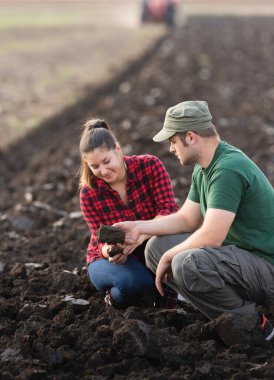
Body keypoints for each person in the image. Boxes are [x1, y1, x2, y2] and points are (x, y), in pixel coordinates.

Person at [114, 100, 274, 340]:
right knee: (156, 249)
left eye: (172, 141)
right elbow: (188, 218)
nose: (170, 149)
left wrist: (172, 256)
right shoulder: (205, 167)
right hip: (242, 258)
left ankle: (255, 328)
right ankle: (220, 309)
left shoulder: (227, 169)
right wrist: (139, 228)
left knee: (187, 264)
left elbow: (212, 236)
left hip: (266, 266)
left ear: (190, 137)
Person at [79, 118, 178, 309]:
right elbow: (99, 238)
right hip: (109, 259)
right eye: (95, 166)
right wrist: (112, 252)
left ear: (117, 149)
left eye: (106, 161)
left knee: (177, 249)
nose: (103, 171)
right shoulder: (88, 193)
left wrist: (141, 232)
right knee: (134, 284)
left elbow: (168, 211)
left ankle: (166, 308)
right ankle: (113, 301)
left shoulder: (149, 166)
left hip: (153, 244)